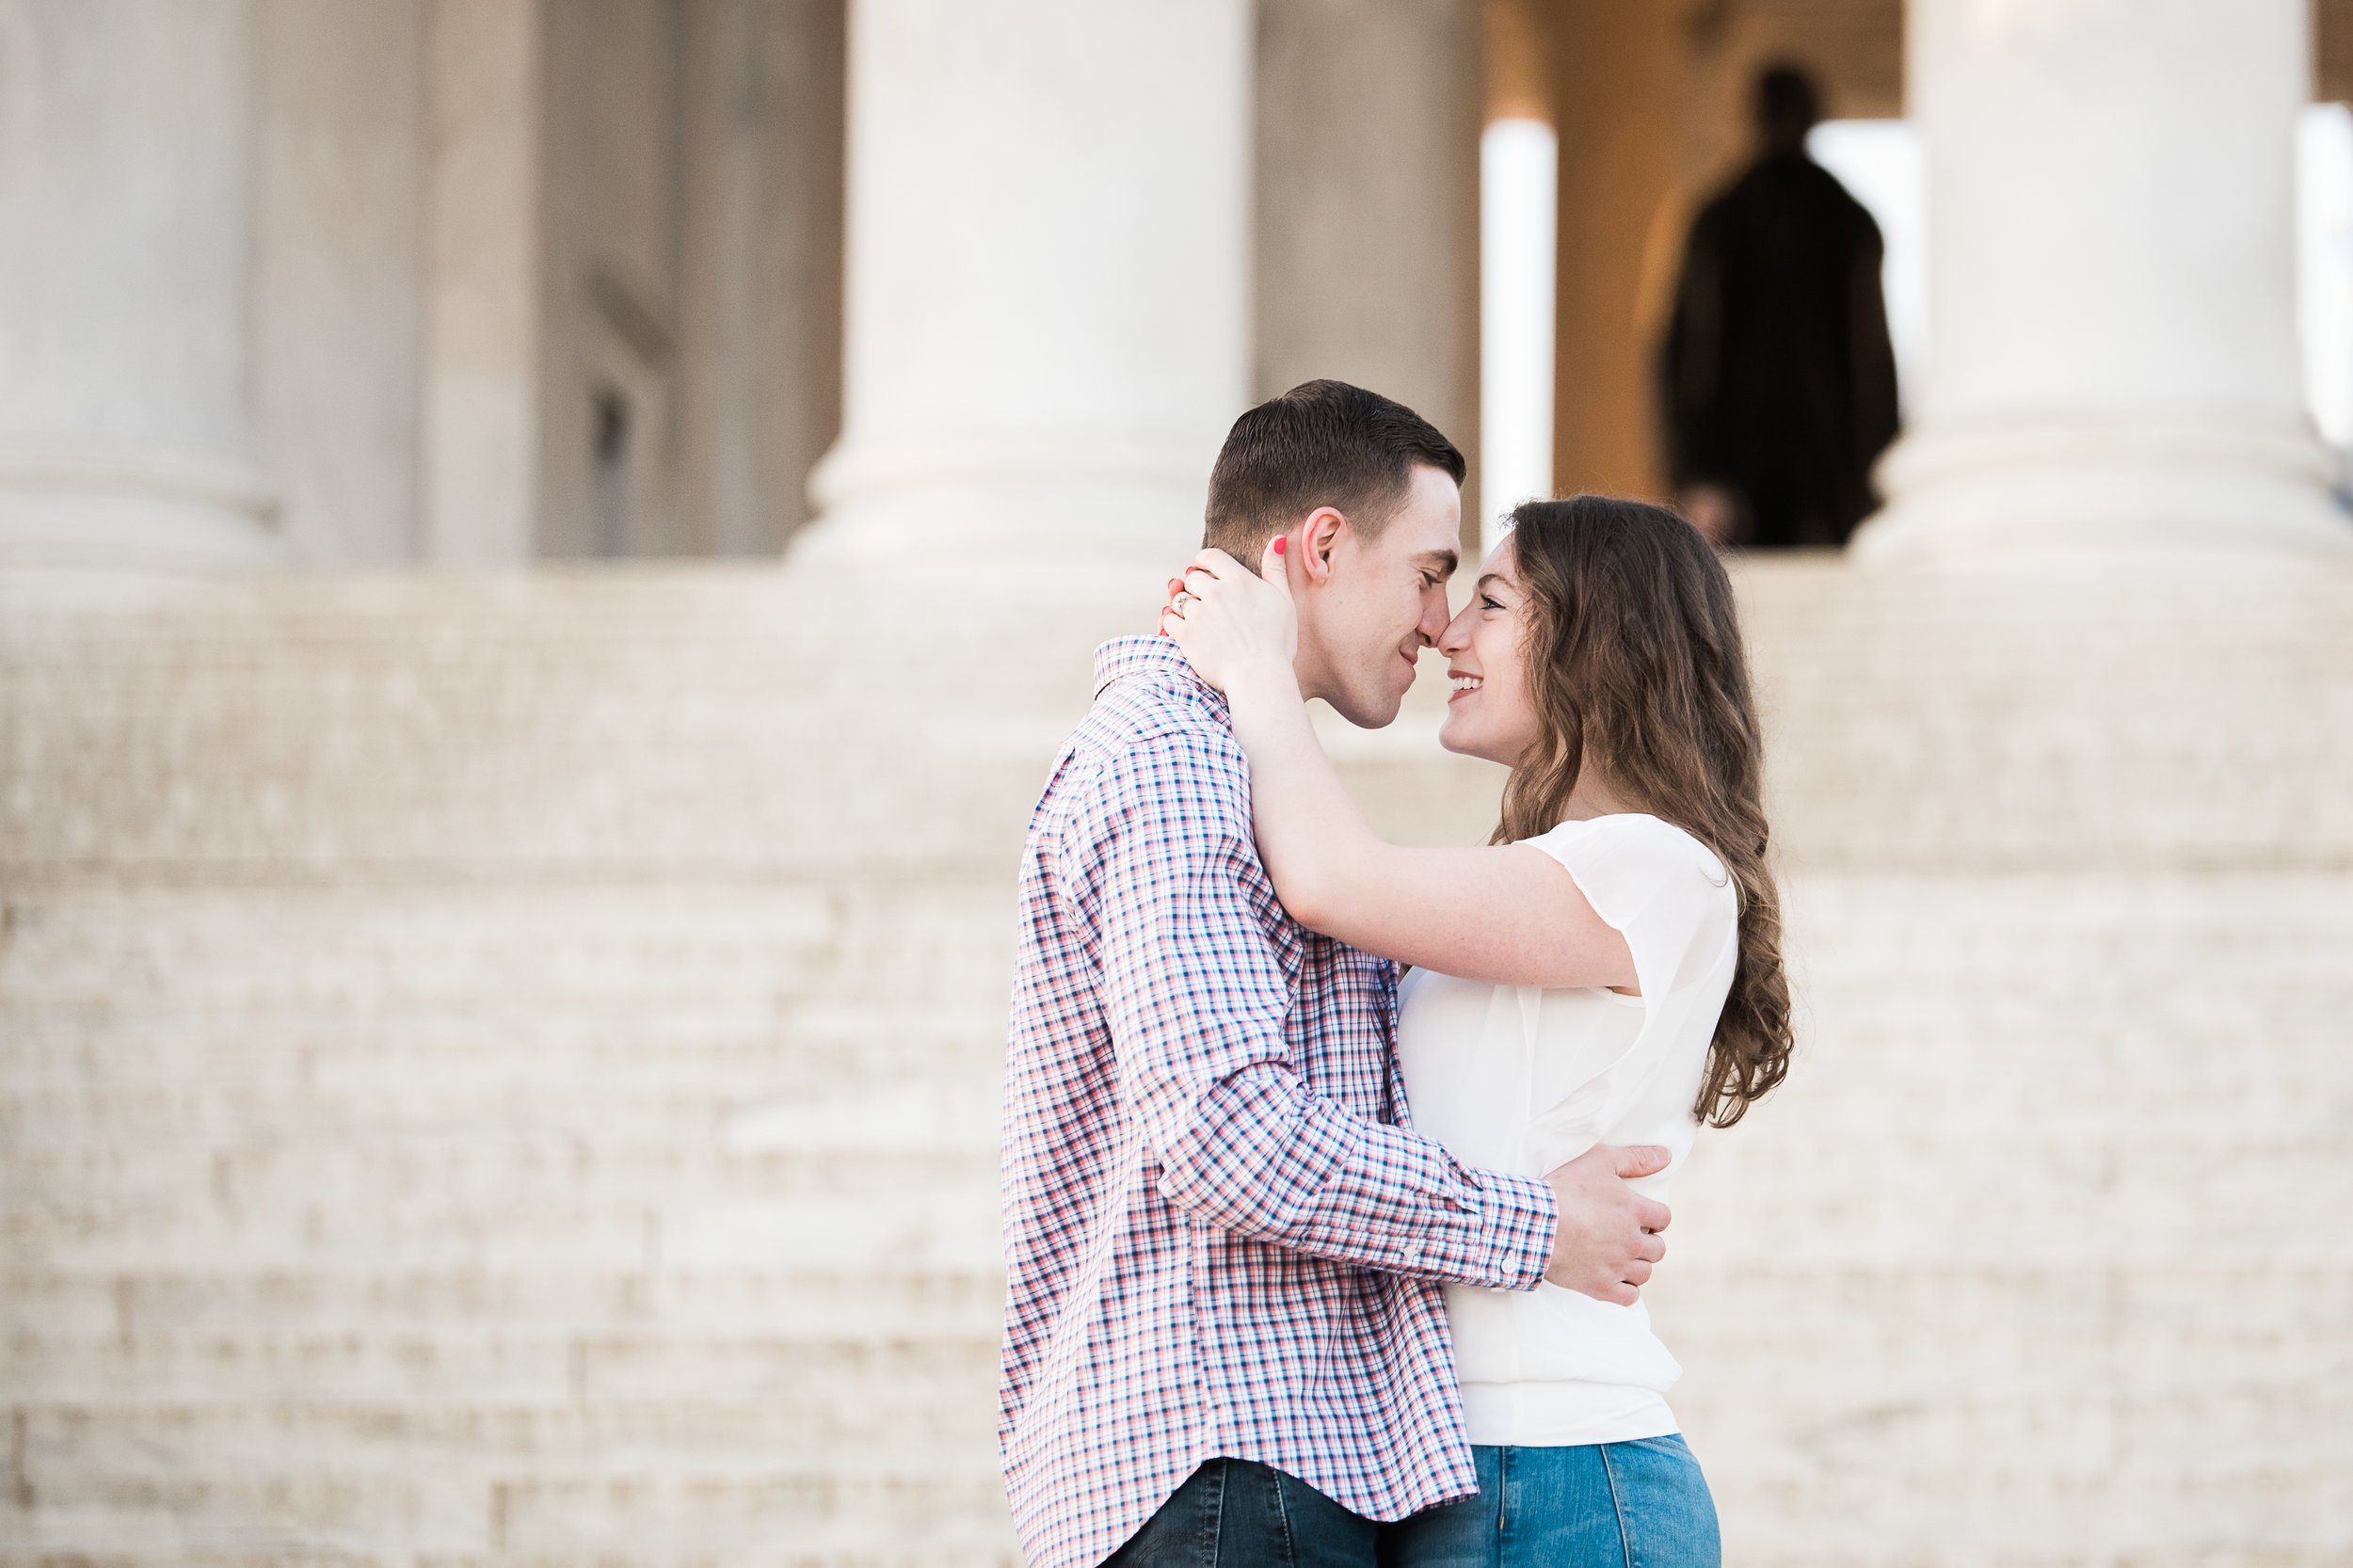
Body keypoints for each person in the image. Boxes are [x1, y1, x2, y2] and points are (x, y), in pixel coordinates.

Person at [1000, 382, 1679, 1568]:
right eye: (1428, 571)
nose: (1438, 621)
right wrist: (1534, 1221)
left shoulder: (1242, 763)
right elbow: (1229, 1134)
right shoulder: (1174, 762)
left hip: (1261, 1465)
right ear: (1319, 547)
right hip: (1220, 1457)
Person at [1159, 493, 1794, 1567]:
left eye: (1491, 602)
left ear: (1602, 638)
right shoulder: (1541, 876)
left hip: (1559, 1474)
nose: (1448, 630)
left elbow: (1328, 879)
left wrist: (1260, 673)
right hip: (1453, 1467)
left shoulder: (1657, 869)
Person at [1661, 62, 1899, 549]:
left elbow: (1873, 356)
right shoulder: (1718, 221)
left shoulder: (1849, 222)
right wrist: (1694, 472)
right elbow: (1681, 349)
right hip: (1744, 458)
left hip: (1825, 460)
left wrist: (1877, 470)